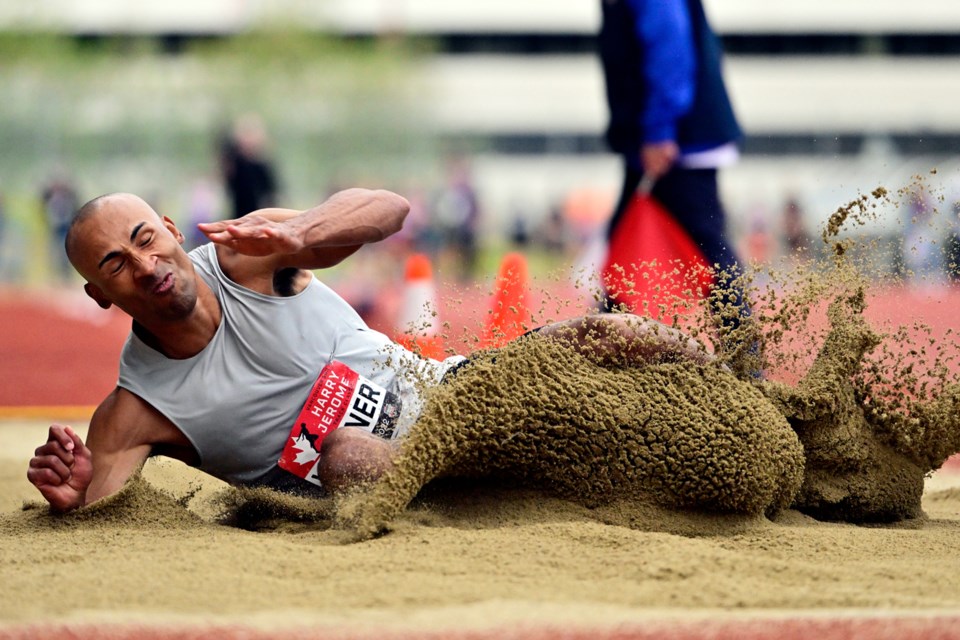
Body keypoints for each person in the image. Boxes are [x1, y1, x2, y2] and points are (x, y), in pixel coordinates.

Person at [26, 190, 713, 512]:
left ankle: (742, 393)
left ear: (172, 230)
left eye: (145, 238)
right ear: (98, 296)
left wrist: (302, 236)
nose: (144, 265)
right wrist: (71, 500)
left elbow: (388, 209)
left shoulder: (249, 258)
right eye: (115, 265)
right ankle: (486, 502)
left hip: (457, 391)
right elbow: (100, 512)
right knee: (347, 453)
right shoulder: (134, 414)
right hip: (387, 480)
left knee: (604, 333)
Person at [598, 0, 743, 302]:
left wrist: (659, 132)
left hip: (677, 143)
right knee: (624, 243)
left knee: (706, 248)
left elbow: (670, 50)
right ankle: (611, 337)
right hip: (660, 141)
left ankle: (743, 345)